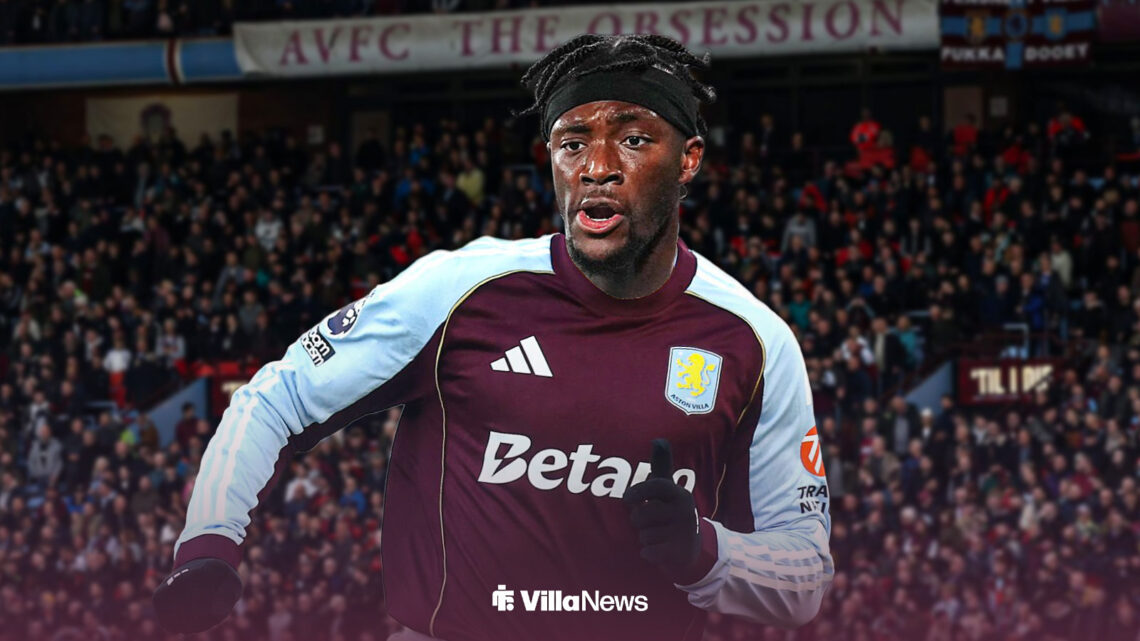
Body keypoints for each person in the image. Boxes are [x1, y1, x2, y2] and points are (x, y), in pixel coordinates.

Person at [154, 34, 832, 641]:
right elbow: (274, 398)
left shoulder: (756, 342)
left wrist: (703, 551)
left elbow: (804, 577)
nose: (596, 165)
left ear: (688, 161)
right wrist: (209, 538)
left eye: (631, 139)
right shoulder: (459, 290)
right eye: (572, 142)